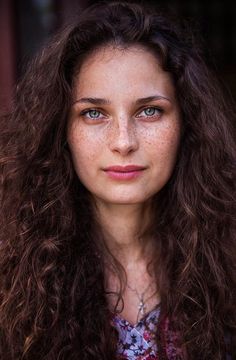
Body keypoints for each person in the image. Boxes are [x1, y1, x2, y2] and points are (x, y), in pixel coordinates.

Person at [0, 1, 235, 359]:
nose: (123, 141)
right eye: (94, 113)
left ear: (188, 124)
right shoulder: (11, 278)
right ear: (60, 130)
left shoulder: (228, 261)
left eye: (150, 111)